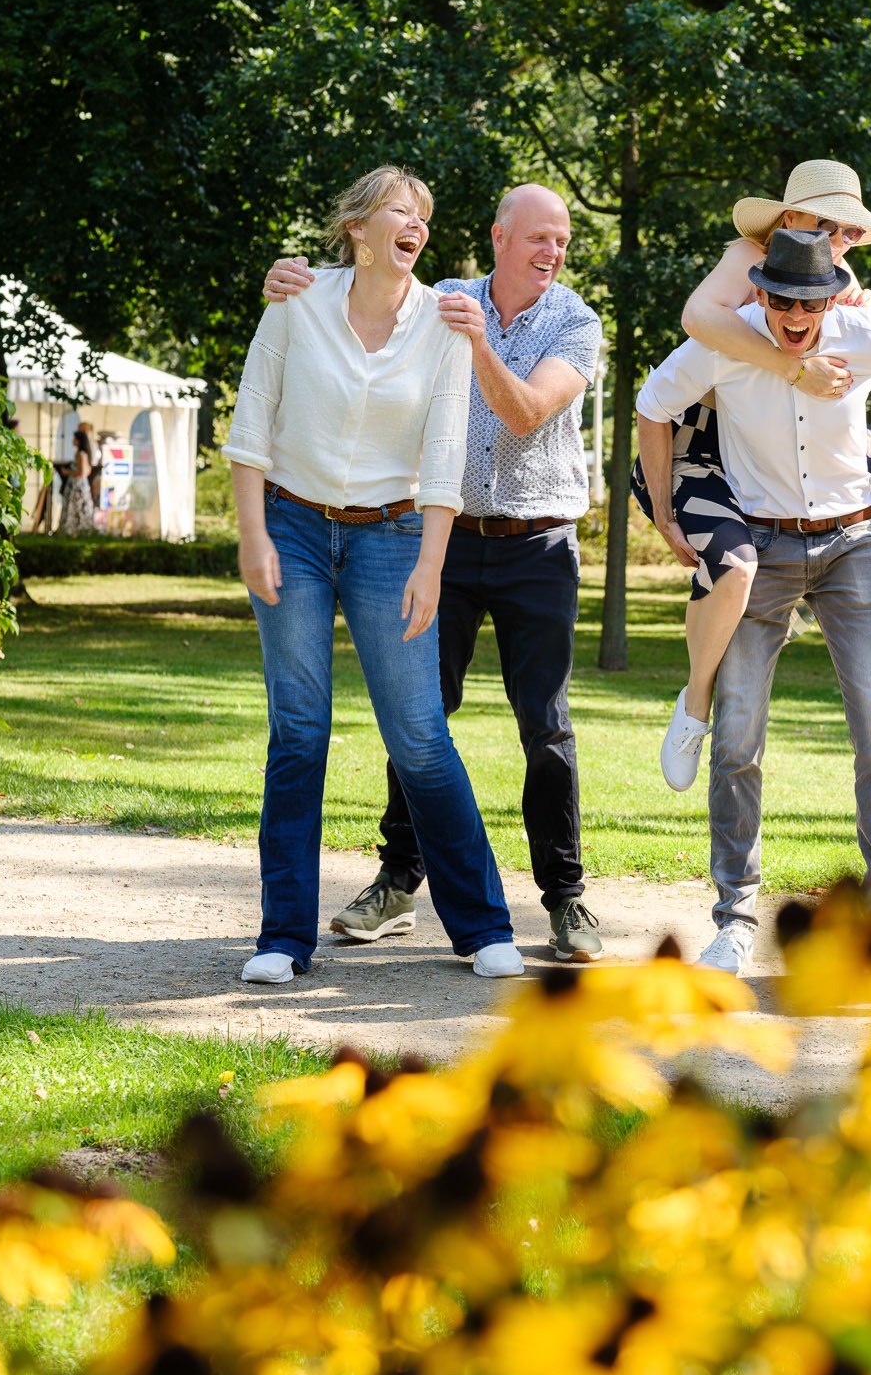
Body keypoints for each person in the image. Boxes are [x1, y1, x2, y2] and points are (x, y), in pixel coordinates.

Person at [261, 184, 607, 964]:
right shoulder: (445, 296)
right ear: (498, 236)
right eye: (538, 238)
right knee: (418, 717)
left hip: (537, 544)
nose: (552, 253)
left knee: (544, 725)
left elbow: (524, 414)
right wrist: (289, 282)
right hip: (439, 541)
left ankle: (565, 899)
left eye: (562, 241)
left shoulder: (575, 322)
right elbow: (363, 299)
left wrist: (476, 343)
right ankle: (396, 880)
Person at [225, 165, 522, 985]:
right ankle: (283, 938)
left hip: (393, 537)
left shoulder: (447, 323)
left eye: (424, 214)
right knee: (299, 731)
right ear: (357, 227)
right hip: (290, 524)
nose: (415, 223)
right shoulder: (294, 302)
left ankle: (482, 926)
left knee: (420, 737)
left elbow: (442, 453)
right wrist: (254, 537)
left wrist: (431, 562)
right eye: (399, 210)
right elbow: (253, 423)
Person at [636, 228, 871, 977]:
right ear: (760, 292)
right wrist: (666, 509)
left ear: (833, 297)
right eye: (784, 300)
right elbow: (651, 404)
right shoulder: (724, 344)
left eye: (812, 301)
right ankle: (733, 919)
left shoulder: (862, 331)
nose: (798, 315)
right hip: (762, 554)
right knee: (737, 739)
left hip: (852, 548)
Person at [641, 161, 871, 793]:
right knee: (733, 566)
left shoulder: (838, 277)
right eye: (826, 225)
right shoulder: (750, 255)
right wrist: (794, 369)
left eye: (851, 232)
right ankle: (694, 706)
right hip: (700, 441)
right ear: (789, 218)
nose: (840, 240)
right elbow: (699, 320)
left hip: (779, 445)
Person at [58, 429, 98, 536]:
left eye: (74, 438)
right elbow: (87, 471)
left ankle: (74, 531)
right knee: (76, 508)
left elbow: (82, 472)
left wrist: (68, 472)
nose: (72, 440)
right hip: (78, 485)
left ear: (79, 440)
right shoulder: (82, 454)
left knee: (75, 508)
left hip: (77, 486)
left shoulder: (81, 454)